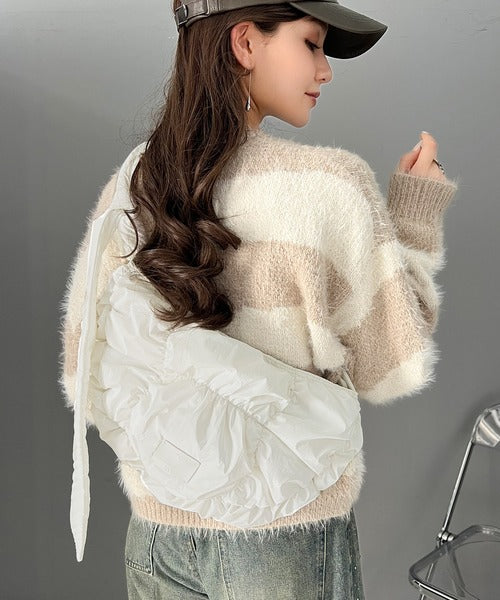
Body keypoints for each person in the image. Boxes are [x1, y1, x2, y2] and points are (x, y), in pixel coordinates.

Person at [59, 0, 459, 598]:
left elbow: (82, 374)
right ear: (245, 43)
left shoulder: (133, 184)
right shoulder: (328, 188)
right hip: (281, 541)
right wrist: (415, 218)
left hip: (156, 536)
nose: (326, 70)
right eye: (312, 44)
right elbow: (393, 367)